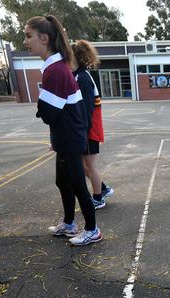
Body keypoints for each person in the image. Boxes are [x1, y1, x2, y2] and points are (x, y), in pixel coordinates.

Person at [24, 15, 101, 246]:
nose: (26, 42)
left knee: (77, 183)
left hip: (70, 137)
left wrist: (42, 107)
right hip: (64, 136)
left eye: (29, 36)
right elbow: (50, 111)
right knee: (62, 181)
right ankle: (69, 224)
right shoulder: (55, 67)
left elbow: (47, 113)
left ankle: (92, 229)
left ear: (45, 38)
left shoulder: (56, 70)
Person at [71, 40, 114, 209]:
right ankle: (103, 189)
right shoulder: (78, 75)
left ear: (75, 57)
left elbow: (87, 109)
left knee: (90, 165)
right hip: (85, 129)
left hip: (88, 130)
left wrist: (81, 131)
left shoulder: (82, 78)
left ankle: (98, 198)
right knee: (82, 165)